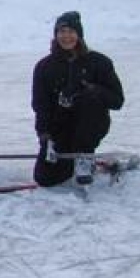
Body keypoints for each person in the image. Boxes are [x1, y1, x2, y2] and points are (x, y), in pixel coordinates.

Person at [32, 12, 124, 187]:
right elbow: (40, 105)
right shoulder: (44, 67)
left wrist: (93, 90)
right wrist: (44, 136)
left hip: (90, 125)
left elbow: (117, 101)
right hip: (60, 127)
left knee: (89, 98)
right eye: (62, 31)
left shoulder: (99, 62)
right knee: (45, 178)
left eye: (71, 32)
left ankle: (85, 157)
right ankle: (68, 157)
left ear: (79, 34)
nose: (66, 37)